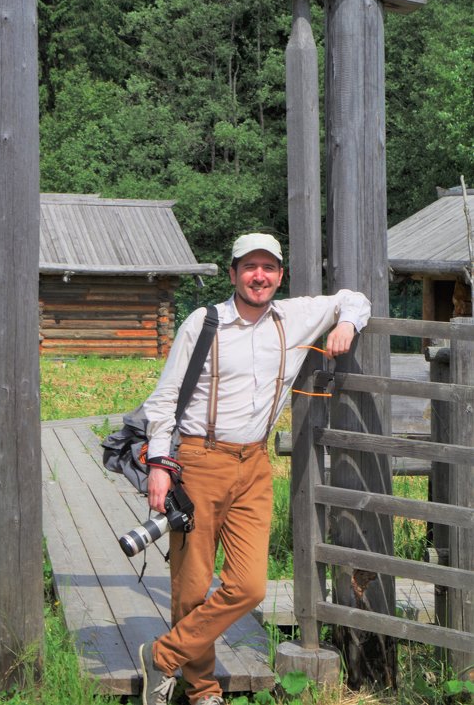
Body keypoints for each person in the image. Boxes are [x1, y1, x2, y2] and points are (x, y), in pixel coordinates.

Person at [139, 233, 371, 705]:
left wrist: (345, 323)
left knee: (248, 587)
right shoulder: (203, 323)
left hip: (254, 465)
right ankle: (201, 688)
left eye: (268, 268)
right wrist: (160, 465)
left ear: (279, 275)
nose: (259, 276)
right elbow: (164, 399)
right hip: (199, 461)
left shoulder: (294, 317)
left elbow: (354, 297)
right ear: (233, 273)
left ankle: (162, 656)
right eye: (249, 267)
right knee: (191, 584)